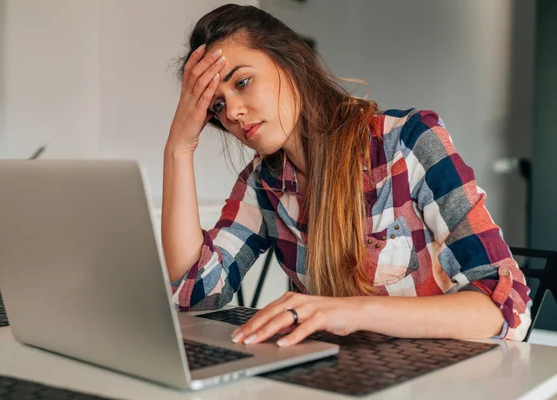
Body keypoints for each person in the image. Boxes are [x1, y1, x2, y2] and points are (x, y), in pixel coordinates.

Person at [161, 4, 531, 347]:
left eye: (242, 82)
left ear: (290, 62)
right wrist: (179, 148)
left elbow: (508, 307)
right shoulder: (264, 182)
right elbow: (194, 294)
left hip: (436, 375)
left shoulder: (406, 142)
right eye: (218, 107)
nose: (234, 114)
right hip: (341, 373)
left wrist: (353, 312)